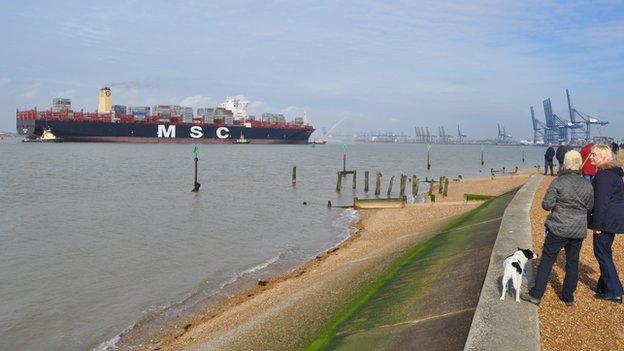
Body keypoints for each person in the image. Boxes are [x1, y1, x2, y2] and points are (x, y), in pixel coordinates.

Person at [521, 150, 593, 306]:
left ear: (565, 164)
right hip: (578, 229)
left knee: (547, 260)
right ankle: (568, 297)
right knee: (573, 262)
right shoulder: (587, 185)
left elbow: (546, 205)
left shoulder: (559, 182)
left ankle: (536, 294)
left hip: (558, 227)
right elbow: (589, 206)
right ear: (579, 164)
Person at [589, 144, 624, 303]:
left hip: (606, 221)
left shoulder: (604, 176)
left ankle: (615, 290)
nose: (591, 157)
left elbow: (601, 203)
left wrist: (596, 226)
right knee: (604, 252)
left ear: (603, 157)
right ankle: (603, 287)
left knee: (601, 253)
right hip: (613, 219)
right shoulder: (613, 174)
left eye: (594, 155)